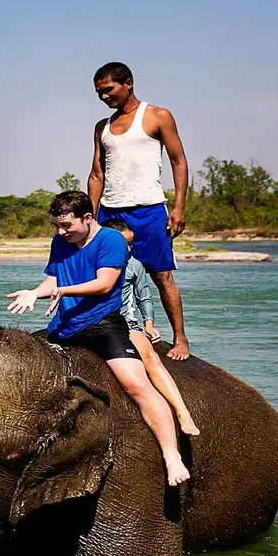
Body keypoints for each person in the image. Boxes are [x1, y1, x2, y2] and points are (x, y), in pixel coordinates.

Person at [6, 191, 189, 487]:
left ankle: (171, 455)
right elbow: (54, 279)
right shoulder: (60, 243)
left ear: (88, 218)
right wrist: (34, 292)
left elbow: (105, 284)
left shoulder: (111, 240)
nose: (61, 232)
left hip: (103, 325)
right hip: (65, 327)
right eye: (56, 226)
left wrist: (64, 291)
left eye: (67, 226)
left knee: (136, 385)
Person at [89, 61, 193, 360]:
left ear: (128, 83)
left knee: (161, 277)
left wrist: (178, 206)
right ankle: (104, 331)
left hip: (149, 210)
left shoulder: (157, 116)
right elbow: (97, 174)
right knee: (105, 276)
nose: (104, 97)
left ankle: (180, 339)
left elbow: (178, 161)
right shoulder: (102, 127)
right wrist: (91, 217)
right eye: (99, 93)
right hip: (110, 210)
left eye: (108, 90)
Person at [120, 247, 200, 436]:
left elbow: (144, 297)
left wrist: (148, 324)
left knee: (150, 358)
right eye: (124, 244)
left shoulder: (134, 265)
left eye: (131, 244)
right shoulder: (93, 261)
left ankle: (182, 412)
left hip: (126, 325)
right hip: (96, 322)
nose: (129, 249)